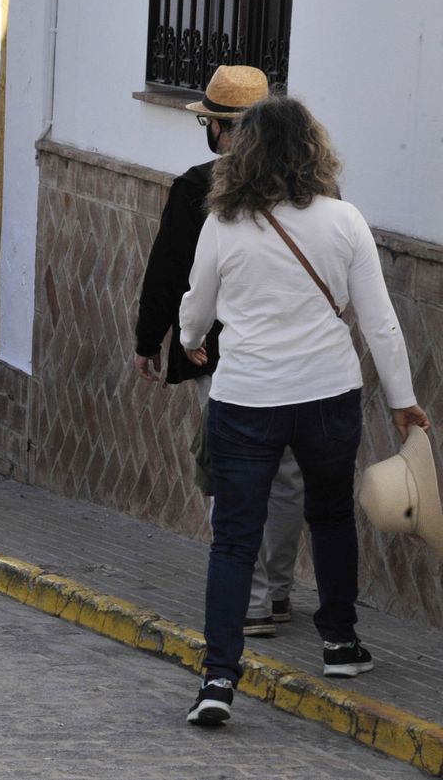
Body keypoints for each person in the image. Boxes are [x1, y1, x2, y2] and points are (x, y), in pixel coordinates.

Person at [178, 96, 429, 727]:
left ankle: (217, 678)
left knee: (234, 539)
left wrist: (188, 340)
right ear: (312, 151)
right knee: (331, 516)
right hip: (326, 394)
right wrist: (404, 404)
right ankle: (340, 642)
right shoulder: (344, 221)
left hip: (246, 399)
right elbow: (381, 324)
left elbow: (197, 303)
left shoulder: (222, 223)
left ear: (245, 152)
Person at [132, 64, 303, 639]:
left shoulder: (197, 188)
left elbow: (171, 272)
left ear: (218, 128)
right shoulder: (309, 193)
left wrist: (150, 340)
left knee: (234, 473)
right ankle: (278, 591)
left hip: (220, 352)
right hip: (299, 355)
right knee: (286, 474)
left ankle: (252, 600)